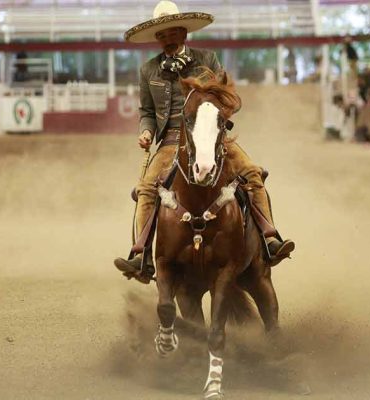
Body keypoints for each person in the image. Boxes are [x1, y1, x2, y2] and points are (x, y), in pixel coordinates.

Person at [114, 0, 295, 281]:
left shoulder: (207, 60)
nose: (166, 40)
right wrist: (147, 131)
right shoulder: (148, 71)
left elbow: (225, 96)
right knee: (146, 190)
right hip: (172, 140)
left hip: (211, 137)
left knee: (253, 174)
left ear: (183, 33)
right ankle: (140, 254)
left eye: (171, 33)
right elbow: (147, 112)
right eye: (161, 35)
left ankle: (270, 239)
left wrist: (216, 117)